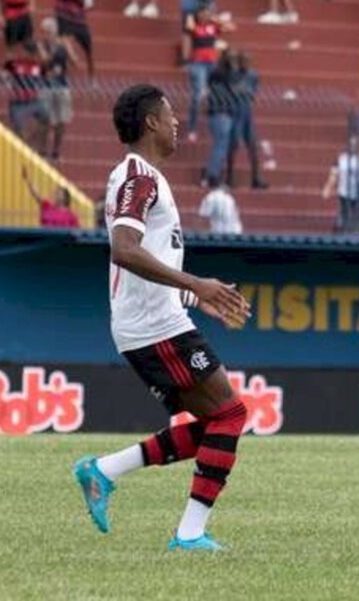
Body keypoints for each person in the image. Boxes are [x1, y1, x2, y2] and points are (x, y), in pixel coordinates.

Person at [72, 83, 252, 552]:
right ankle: (189, 534)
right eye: (170, 116)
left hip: (157, 321)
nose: (177, 124)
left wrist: (194, 300)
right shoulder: (138, 178)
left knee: (220, 421)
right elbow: (123, 250)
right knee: (231, 415)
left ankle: (104, 472)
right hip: (152, 329)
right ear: (151, 122)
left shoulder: (145, 176)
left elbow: (145, 261)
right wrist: (195, 284)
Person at [183, 7, 234, 142]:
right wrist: (191, 16)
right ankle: (192, 128)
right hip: (198, 64)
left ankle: (213, 123)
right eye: (202, 13)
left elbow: (230, 28)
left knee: (216, 93)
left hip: (212, 63)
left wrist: (215, 19)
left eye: (207, 13)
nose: (205, 16)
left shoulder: (213, 27)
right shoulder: (194, 27)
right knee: (198, 95)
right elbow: (188, 28)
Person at [37, 18, 79, 160]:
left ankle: (56, 151)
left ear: (54, 32)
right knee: (45, 121)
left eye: (48, 32)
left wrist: (67, 48)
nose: (45, 35)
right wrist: (55, 48)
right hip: (46, 87)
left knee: (62, 121)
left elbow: (75, 63)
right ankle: (41, 151)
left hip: (62, 86)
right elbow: (45, 60)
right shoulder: (41, 45)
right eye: (44, 32)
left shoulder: (63, 44)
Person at [227, 50, 268, 189]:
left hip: (247, 114)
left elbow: (252, 93)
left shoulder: (253, 75)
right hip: (235, 114)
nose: (246, 64)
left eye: (248, 61)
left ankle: (256, 178)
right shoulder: (233, 75)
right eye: (244, 61)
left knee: (253, 146)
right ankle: (229, 177)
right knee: (233, 145)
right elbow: (232, 91)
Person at [1, 42, 49, 155]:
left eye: (34, 54)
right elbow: (3, 73)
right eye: (29, 53)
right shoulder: (13, 63)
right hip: (18, 103)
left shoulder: (39, 66)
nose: (32, 56)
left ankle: (32, 145)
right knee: (18, 129)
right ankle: (25, 149)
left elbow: (47, 72)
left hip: (34, 101)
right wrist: (3, 76)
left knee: (46, 120)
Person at [55, 0, 96, 79]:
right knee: (63, 39)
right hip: (64, 14)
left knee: (89, 50)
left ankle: (92, 80)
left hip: (79, 17)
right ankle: (71, 57)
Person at [203, 51, 238, 184]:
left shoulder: (214, 75)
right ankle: (213, 174)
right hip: (223, 113)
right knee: (220, 146)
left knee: (219, 145)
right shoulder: (228, 77)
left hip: (214, 113)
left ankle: (213, 173)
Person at [321, 139, 359, 233]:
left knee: (358, 217)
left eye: (355, 145)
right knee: (343, 215)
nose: (353, 147)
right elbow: (334, 174)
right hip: (344, 192)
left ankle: (358, 233)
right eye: (351, 145)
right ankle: (341, 233)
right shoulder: (341, 159)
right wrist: (328, 187)